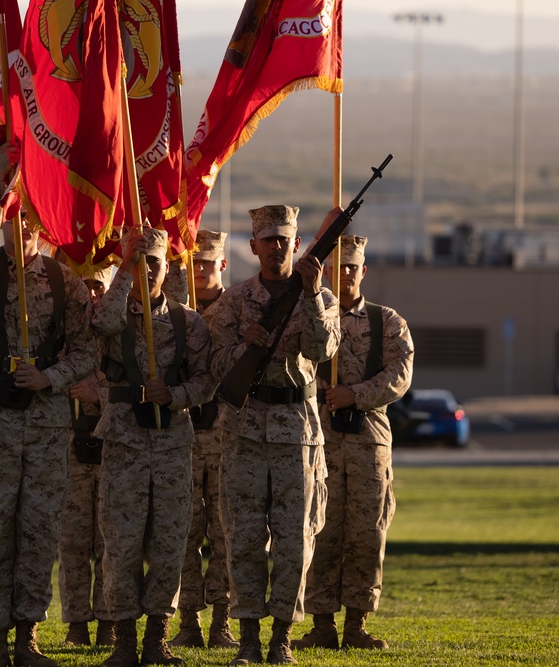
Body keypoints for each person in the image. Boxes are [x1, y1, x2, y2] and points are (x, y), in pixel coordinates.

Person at [0, 147, 96, 667]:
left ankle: (28, 637)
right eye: (13, 218)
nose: (23, 230)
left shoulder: (66, 285)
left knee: (39, 527)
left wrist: (50, 377)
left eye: (29, 220)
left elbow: (86, 351)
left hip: (44, 420)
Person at [204, 204, 340, 665]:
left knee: (294, 540)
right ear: (253, 246)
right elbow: (214, 368)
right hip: (244, 432)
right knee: (241, 537)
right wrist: (247, 343)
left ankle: (281, 638)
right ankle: (247, 639)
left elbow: (322, 351)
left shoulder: (318, 297)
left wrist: (313, 292)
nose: (276, 246)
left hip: (297, 435)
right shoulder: (233, 302)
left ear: (298, 244)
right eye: (268, 239)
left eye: (284, 238)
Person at [92, 225, 215, 667]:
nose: (149, 271)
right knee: (121, 542)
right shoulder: (115, 314)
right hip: (123, 441)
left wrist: (176, 395)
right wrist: (125, 266)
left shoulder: (188, 322)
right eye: (142, 263)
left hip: (170, 444)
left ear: (168, 267)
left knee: (168, 543)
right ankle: (125, 638)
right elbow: (101, 323)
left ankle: (156, 638)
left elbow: (207, 380)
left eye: (155, 263)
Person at [292, 235, 414, 651]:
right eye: (337, 265)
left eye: (352, 266)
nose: (344, 273)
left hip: (367, 441)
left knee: (367, 533)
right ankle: (322, 622)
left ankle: (357, 624)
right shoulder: (309, 314)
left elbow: (399, 375)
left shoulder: (387, 322)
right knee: (321, 531)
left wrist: (355, 394)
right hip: (321, 440)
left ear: (364, 271)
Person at [170, 229, 238, 650]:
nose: (199, 271)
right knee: (184, 533)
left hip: (226, 435)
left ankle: (222, 623)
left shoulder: (237, 309)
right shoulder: (175, 312)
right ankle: (189, 621)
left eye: (207, 264)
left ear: (222, 266)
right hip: (184, 435)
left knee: (227, 532)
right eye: (193, 263)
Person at [58, 265, 116, 648]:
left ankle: (109, 621)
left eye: (100, 287)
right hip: (72, 447)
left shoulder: (122, 334)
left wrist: (102, 394)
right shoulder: (64, 334)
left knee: (111, 542)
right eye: (88, 287)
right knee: (74, 542)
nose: (93, 295)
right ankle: (77, 624)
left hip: (113, 446)